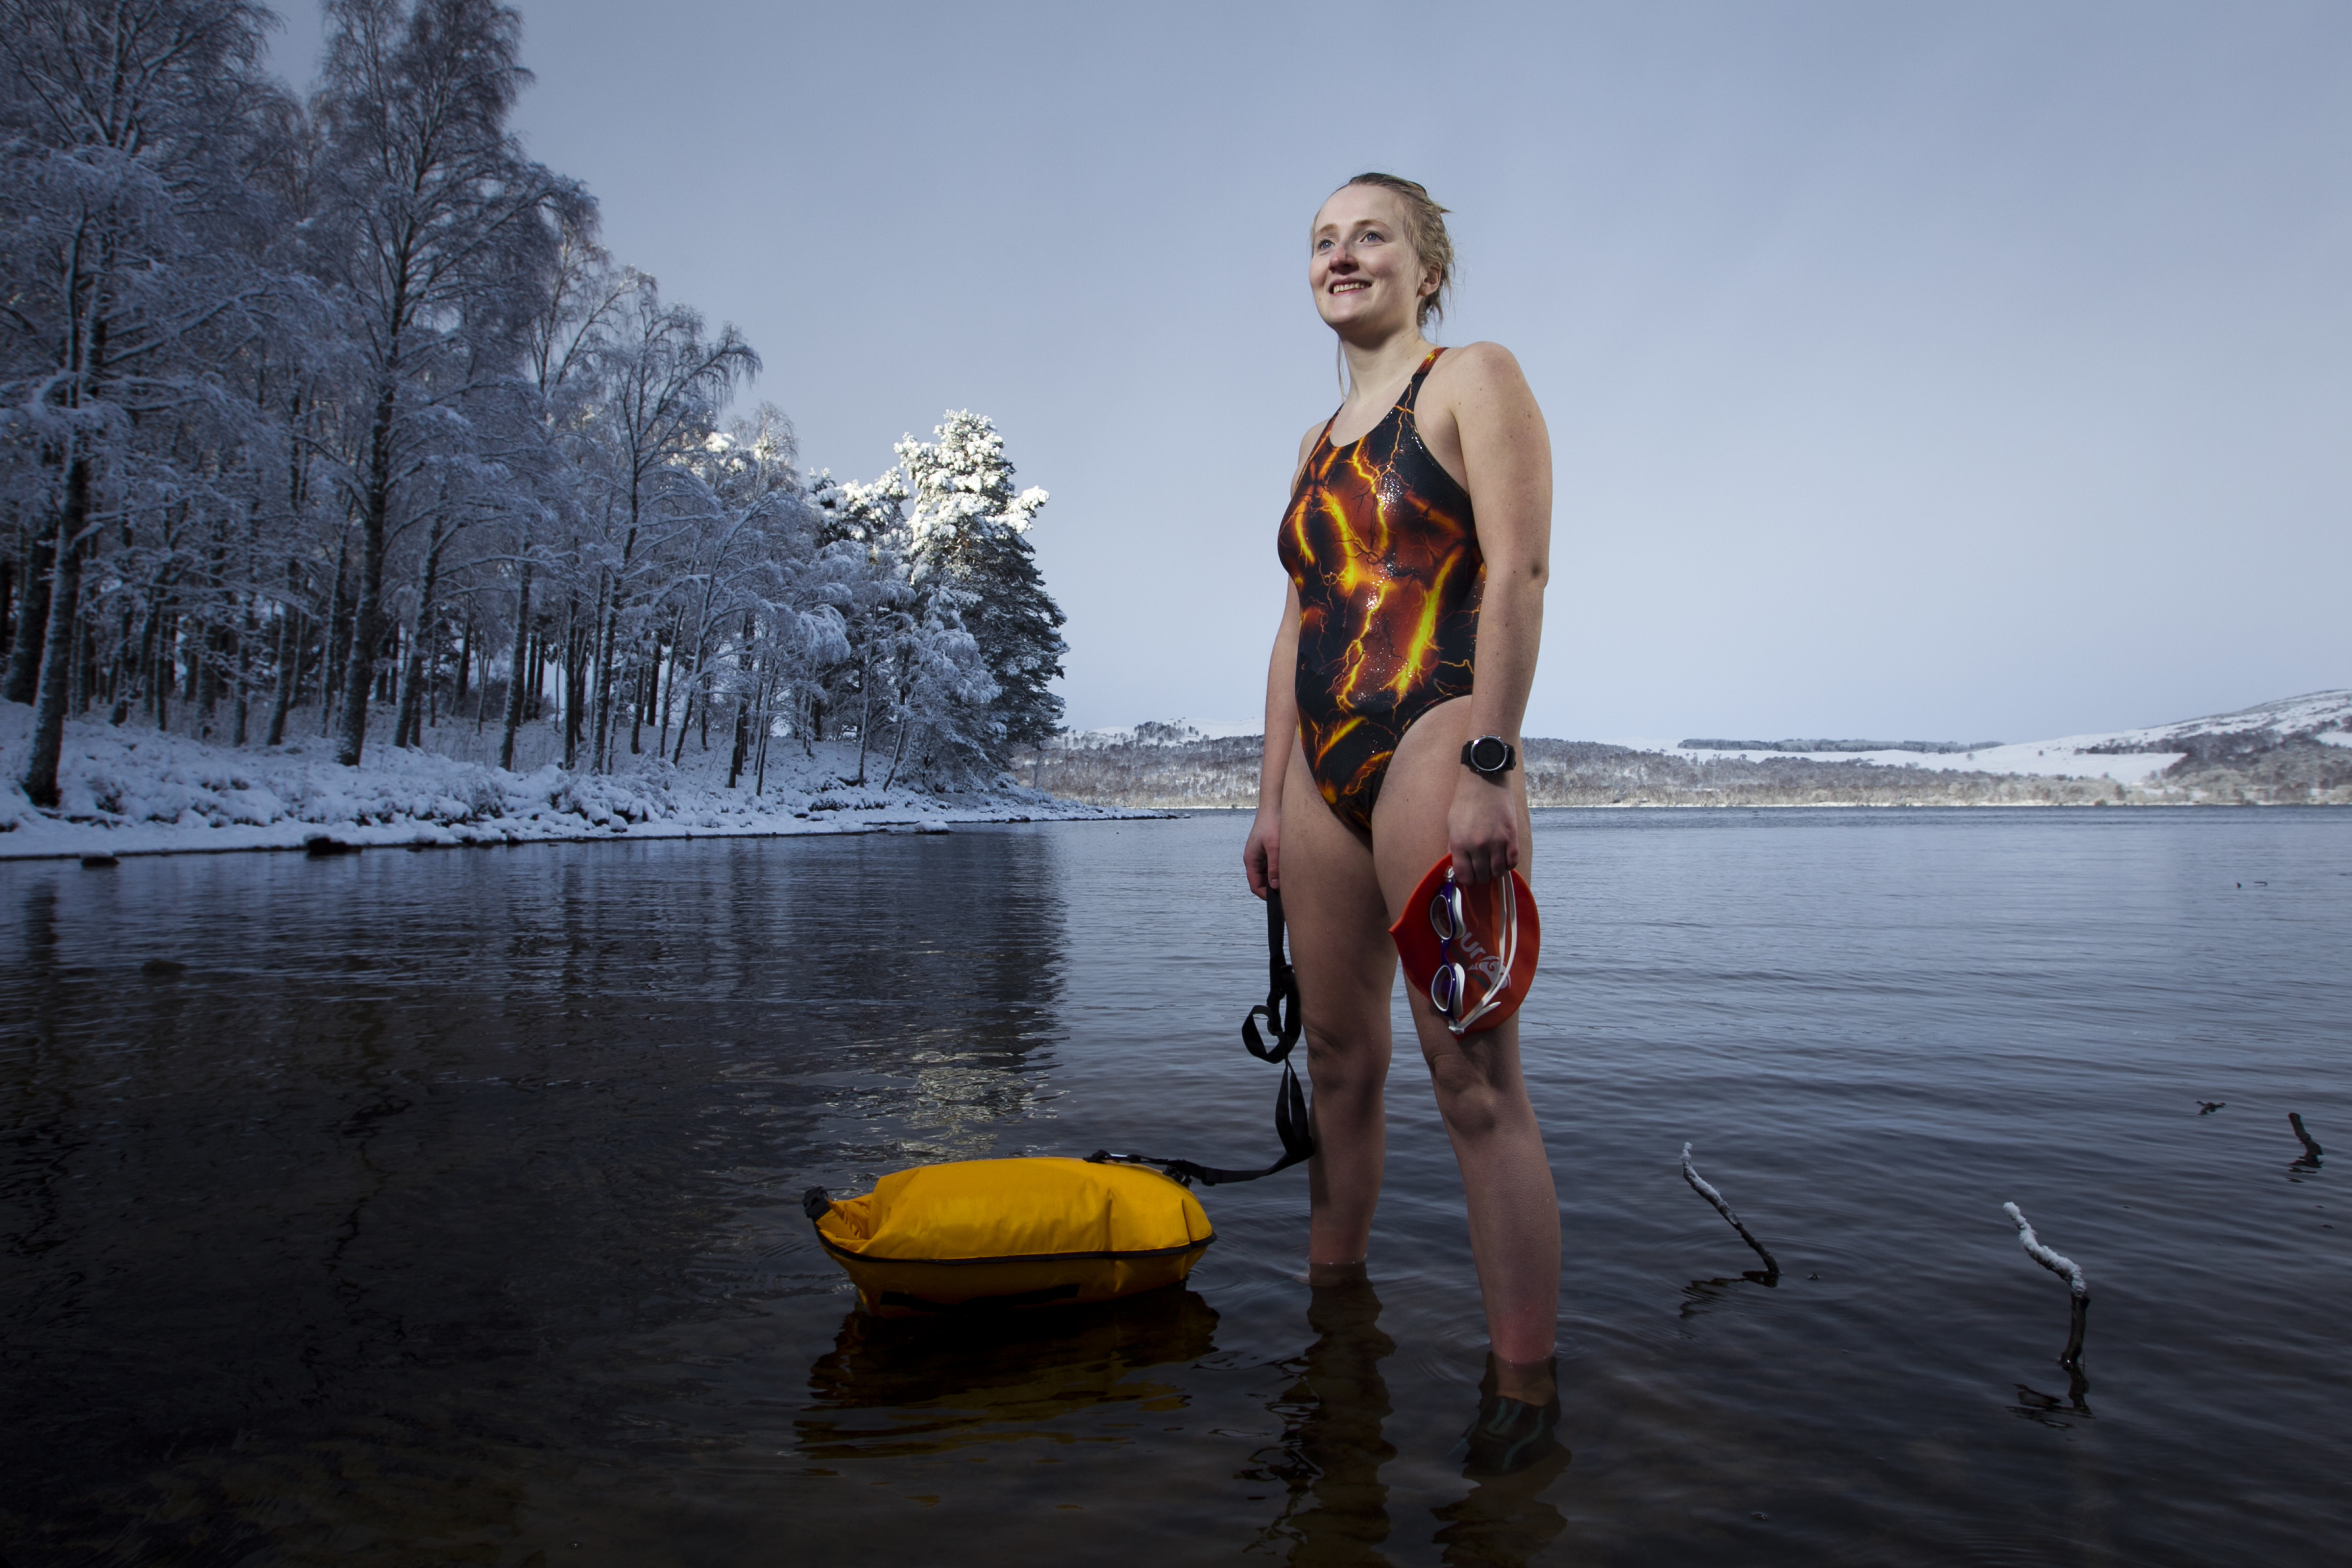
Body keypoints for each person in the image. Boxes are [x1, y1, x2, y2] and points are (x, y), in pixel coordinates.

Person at [1241, 173, 1561, 1466]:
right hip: (1323, 767)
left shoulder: (1473, 378)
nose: (1341, 253)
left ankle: (1526, 1387)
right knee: (1335, 1060)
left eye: (1369, 233)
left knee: (1472, 1082)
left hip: (1437, 733)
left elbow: (1522, 568)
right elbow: (1295, 625)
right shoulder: (1315, 448)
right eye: (1322, 239)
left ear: (1428, 265)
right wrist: (1268, 798)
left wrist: (1491, 755)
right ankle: (1338, 1319)